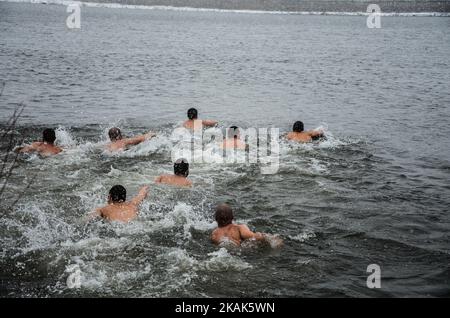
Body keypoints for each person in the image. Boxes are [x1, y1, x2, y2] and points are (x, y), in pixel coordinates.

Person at [211, 204, 282, 247]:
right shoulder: (239, 228)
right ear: (232, 217)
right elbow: (255, 237)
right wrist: (272, 239)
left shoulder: (214, 234)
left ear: (216, 219)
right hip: (242, 251)